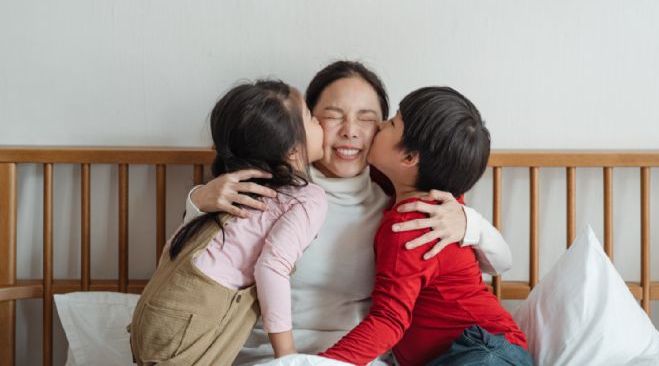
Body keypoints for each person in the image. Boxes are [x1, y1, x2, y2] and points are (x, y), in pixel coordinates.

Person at [184, 61, 513, 365]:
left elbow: (496, 263)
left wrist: (471, 223)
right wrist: (199, 200)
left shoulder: (409, 204)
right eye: (333, 114)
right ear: (306, 122)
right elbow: (192, 273)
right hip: (270, 357)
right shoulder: (271, 191)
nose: (351, 130)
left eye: (368, 118)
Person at [320, 86, 531, 366]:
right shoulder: (429, 193)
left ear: (408, 159)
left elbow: (388, 320)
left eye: (392, 123)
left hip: (485, 352)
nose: (380, 125)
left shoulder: (413, 224)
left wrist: (317, 363)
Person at [129, 80, 328, 365]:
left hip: (153, 311)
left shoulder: (237, 188)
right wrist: (286, 354)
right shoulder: (307, 198)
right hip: (193, 318)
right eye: (311, 116)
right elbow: (272, 267)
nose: (320, 121)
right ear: (293, 151)